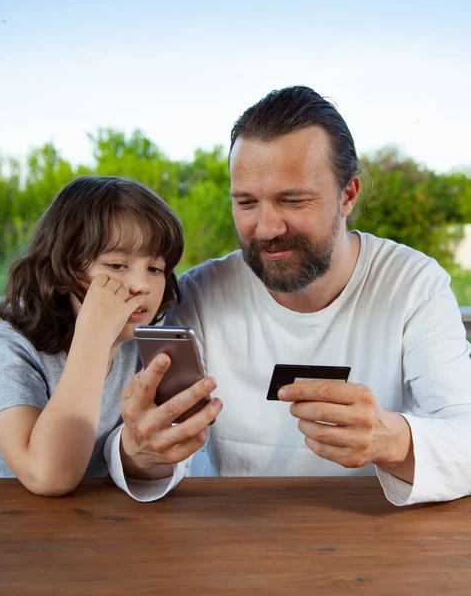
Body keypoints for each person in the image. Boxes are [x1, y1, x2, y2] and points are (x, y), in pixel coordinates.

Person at [106, 86, 471, 506]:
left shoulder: (413, 284)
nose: (266, 228)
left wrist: (395, 441)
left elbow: (464, 434)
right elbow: (157, 446)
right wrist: (139, 451)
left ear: (347, 195)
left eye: (292, 200)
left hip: (379, 536)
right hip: (238, 535)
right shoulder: (201, 293)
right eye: (246, 203)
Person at [0, 176, 220, 497]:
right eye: (118, 265)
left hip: (77, 525)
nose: (142, 285)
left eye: (155, 268)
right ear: (61, 273)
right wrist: (93, 336)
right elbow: (48, 475)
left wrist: (148, 452)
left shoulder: (139, 353)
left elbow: (130, 463)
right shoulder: (7, 350)